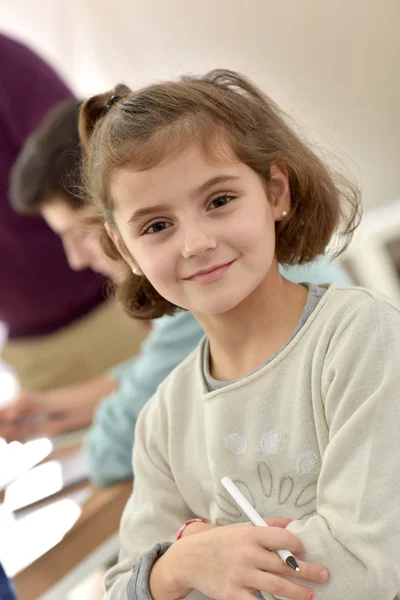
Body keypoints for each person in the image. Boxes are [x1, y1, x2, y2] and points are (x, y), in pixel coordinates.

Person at [78, 69, 400, 600]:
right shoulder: (163, 418)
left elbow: (362, 569)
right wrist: (179, 567)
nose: (196, 243)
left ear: (275, 191)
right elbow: (122, 589)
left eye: (219, 200)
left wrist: (204, 563)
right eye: (157, 226)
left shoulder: (359, 339)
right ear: (125, 249)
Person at [0, 97, 352, 488]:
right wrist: (54, 408)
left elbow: (115, 448)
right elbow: (160, 377)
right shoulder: (213, 306)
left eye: (81, 233)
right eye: (159, 225)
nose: (77, 259)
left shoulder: (213, 286)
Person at [0, 32, 144, 392]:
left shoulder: (8, 65)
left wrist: (131, 275)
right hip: (29, 345)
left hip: (109, 305)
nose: (75, 256)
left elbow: (71, 161)